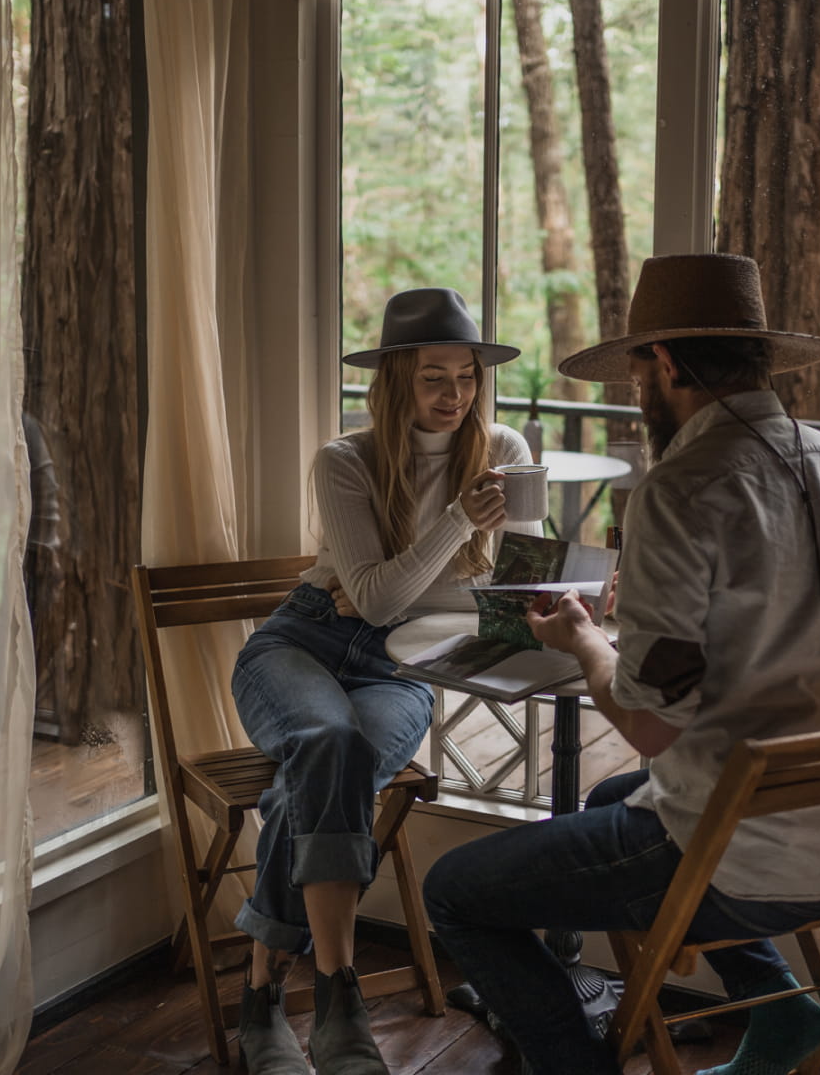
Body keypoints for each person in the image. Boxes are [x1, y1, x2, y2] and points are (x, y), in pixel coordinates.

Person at [423, 253, 820, 1075]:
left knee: (454, 893)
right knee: (614, 797)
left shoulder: (682, 489)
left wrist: (581, 638)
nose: (633, 392)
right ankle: (788, 1013)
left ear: (669, 365)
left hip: (737, 859)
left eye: (637, 370)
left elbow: (648, 725)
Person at [231, 287, 542, 1074]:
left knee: (313, 775)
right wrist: (459, 527)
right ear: (396, 379)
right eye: (434, 376)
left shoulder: (502, 448)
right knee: (325, 741)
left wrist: (422, 577)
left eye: (467, 376)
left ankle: (261, 990)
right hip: (301, 642)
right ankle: (339, 993)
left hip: (405, 665)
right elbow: (373, 599)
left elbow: (516, 594)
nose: (454, 395)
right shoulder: (346, 460)